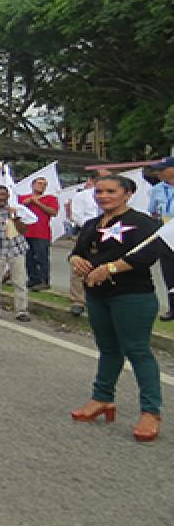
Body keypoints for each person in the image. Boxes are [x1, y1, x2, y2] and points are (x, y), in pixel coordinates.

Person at [69, 174, 163, 442]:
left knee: (137, 351)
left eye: (111, 191)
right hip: (97, 296)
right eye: (99, 192)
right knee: (108, 349)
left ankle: (151, 412)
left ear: (128, 194)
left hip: (132, 296)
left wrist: (109, 268)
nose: (103, 197)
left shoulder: (142, 223)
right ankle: (102, 398)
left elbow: (149, 254)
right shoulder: (92, 224)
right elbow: (78, 250)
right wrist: (75, 260)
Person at [0, 185, 37, 321]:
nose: (1, 197)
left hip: (16, 249)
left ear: (8, 196)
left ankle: (21, 311)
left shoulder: (16, 209)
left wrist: (15, 217)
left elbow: (24, 230)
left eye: (3, 195)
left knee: (20, 282)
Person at [67, 170, 107, 316]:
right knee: (80, 265)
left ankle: (100, 299)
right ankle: (78, 301)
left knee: (103, 264)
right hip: (87, 232)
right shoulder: (82, 196)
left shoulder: (114, 197)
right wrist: (96, 227)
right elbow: (76, 215)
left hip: (109, 233)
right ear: (94, 180)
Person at [146, 157, 174, 321]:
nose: (158, 173)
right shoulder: (157, 189)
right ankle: (173, 307)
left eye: (162, 169)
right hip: (166, 233)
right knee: (169, 272)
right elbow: (154, 212)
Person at [20, 177, 59, 291]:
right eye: (39, 183)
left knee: (42, 257)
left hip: (42, 233)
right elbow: (16, 211)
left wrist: (37, 203)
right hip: (26, 232)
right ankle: (33, 279)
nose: (41, 186)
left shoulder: (50, 198)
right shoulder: (23, 198)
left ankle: (44, 280)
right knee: (28, 258)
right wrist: (25, 204)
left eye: (44, 184)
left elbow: (53, 212)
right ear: (32, 185)